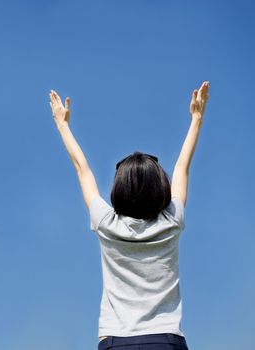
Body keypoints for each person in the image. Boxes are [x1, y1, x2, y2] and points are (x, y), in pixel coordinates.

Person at [48, 81, 209, 350]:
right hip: (166, 340)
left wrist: (62, 125)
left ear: (118, 189)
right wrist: (196, 119)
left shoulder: (106, 223)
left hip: (116, 342)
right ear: (161, 188)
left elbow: (82, 169)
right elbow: (183, 167)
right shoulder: (171, 221)